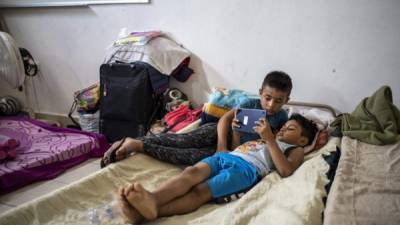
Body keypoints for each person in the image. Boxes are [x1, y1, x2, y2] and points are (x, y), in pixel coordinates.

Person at [117, 114, 318, 224]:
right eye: (284, 126)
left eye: (290, 129)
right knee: (190, 173)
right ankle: (153, 198)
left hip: (246, 171)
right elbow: (237, 147)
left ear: (303, 139)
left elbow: (285, 171)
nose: (283, 129)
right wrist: (236, 131)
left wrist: (271, 140)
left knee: (199, 192)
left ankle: (151, 213)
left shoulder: (295, 149)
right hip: (226, 156)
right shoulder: (265, 137)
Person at [101, 71, 293, 167]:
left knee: (190, 157)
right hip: (218, 133)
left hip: (234, 149)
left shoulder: (282, 117)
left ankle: (138, 145)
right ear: (260, 93)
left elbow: (279, 143)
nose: (271, 105)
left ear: (287, 101)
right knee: (182, 140)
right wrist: (220, 144)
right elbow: (225, 120)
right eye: (267, 98)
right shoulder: (250, 104)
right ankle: (131, 141)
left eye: (278, 101)